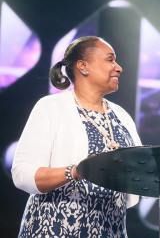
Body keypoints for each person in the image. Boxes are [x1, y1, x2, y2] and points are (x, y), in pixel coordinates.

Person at [12, 36, 141, 237]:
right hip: (55, 228)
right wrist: (75, 171)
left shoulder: (122, 116)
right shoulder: (51, 108)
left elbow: (140, 174)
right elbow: (22, 174)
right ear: (83, 66)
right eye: (110, 60)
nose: (118, 68)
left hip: (110, 230)